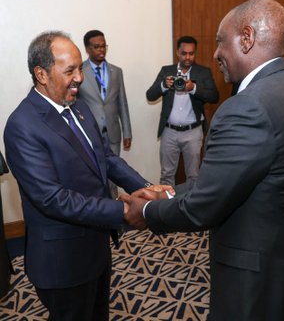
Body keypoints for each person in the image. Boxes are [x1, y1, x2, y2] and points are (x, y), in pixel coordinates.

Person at [122, 0, 284, 320]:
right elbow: (228, 177)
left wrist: (149, 211)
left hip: (270, 276)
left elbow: (205, 205)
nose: (215, 54)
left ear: (246, 38)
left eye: (219, 42)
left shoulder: (248, 106)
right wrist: (170, 191)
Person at [3, 31, 170, 321]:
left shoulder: (78, 106)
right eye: (70, 70)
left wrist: (145, 187)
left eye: (79, 68)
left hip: (96, 246)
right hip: (63, 262)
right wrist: (124, 210)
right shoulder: (22, 126)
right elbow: (53, 199)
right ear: (41, 74)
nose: (80, 77)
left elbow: (106, 158)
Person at [146, 36, 219, 186]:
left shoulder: (203, 72)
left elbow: (214, 96)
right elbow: (150, 95)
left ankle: (191, 209)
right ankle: (166, 208)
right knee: (166, 175)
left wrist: (193, 88)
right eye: (184, 53)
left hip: (193, 132)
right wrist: (164, 85)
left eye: (191, 53)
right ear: (177, 53)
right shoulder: (167, 71)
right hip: (169, 132)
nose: (188, 57)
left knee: (193, 176)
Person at [79, 29, 132, 198]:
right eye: (96, 47)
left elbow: (122, 103)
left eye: (104, 46)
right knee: (94, 175)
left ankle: (114, 214)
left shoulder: (116, 71)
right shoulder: (79, 71)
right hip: (90, 133)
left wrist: (127, 131)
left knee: (114, 175)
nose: (101, 50)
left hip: (113, 132)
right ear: (87, 49)